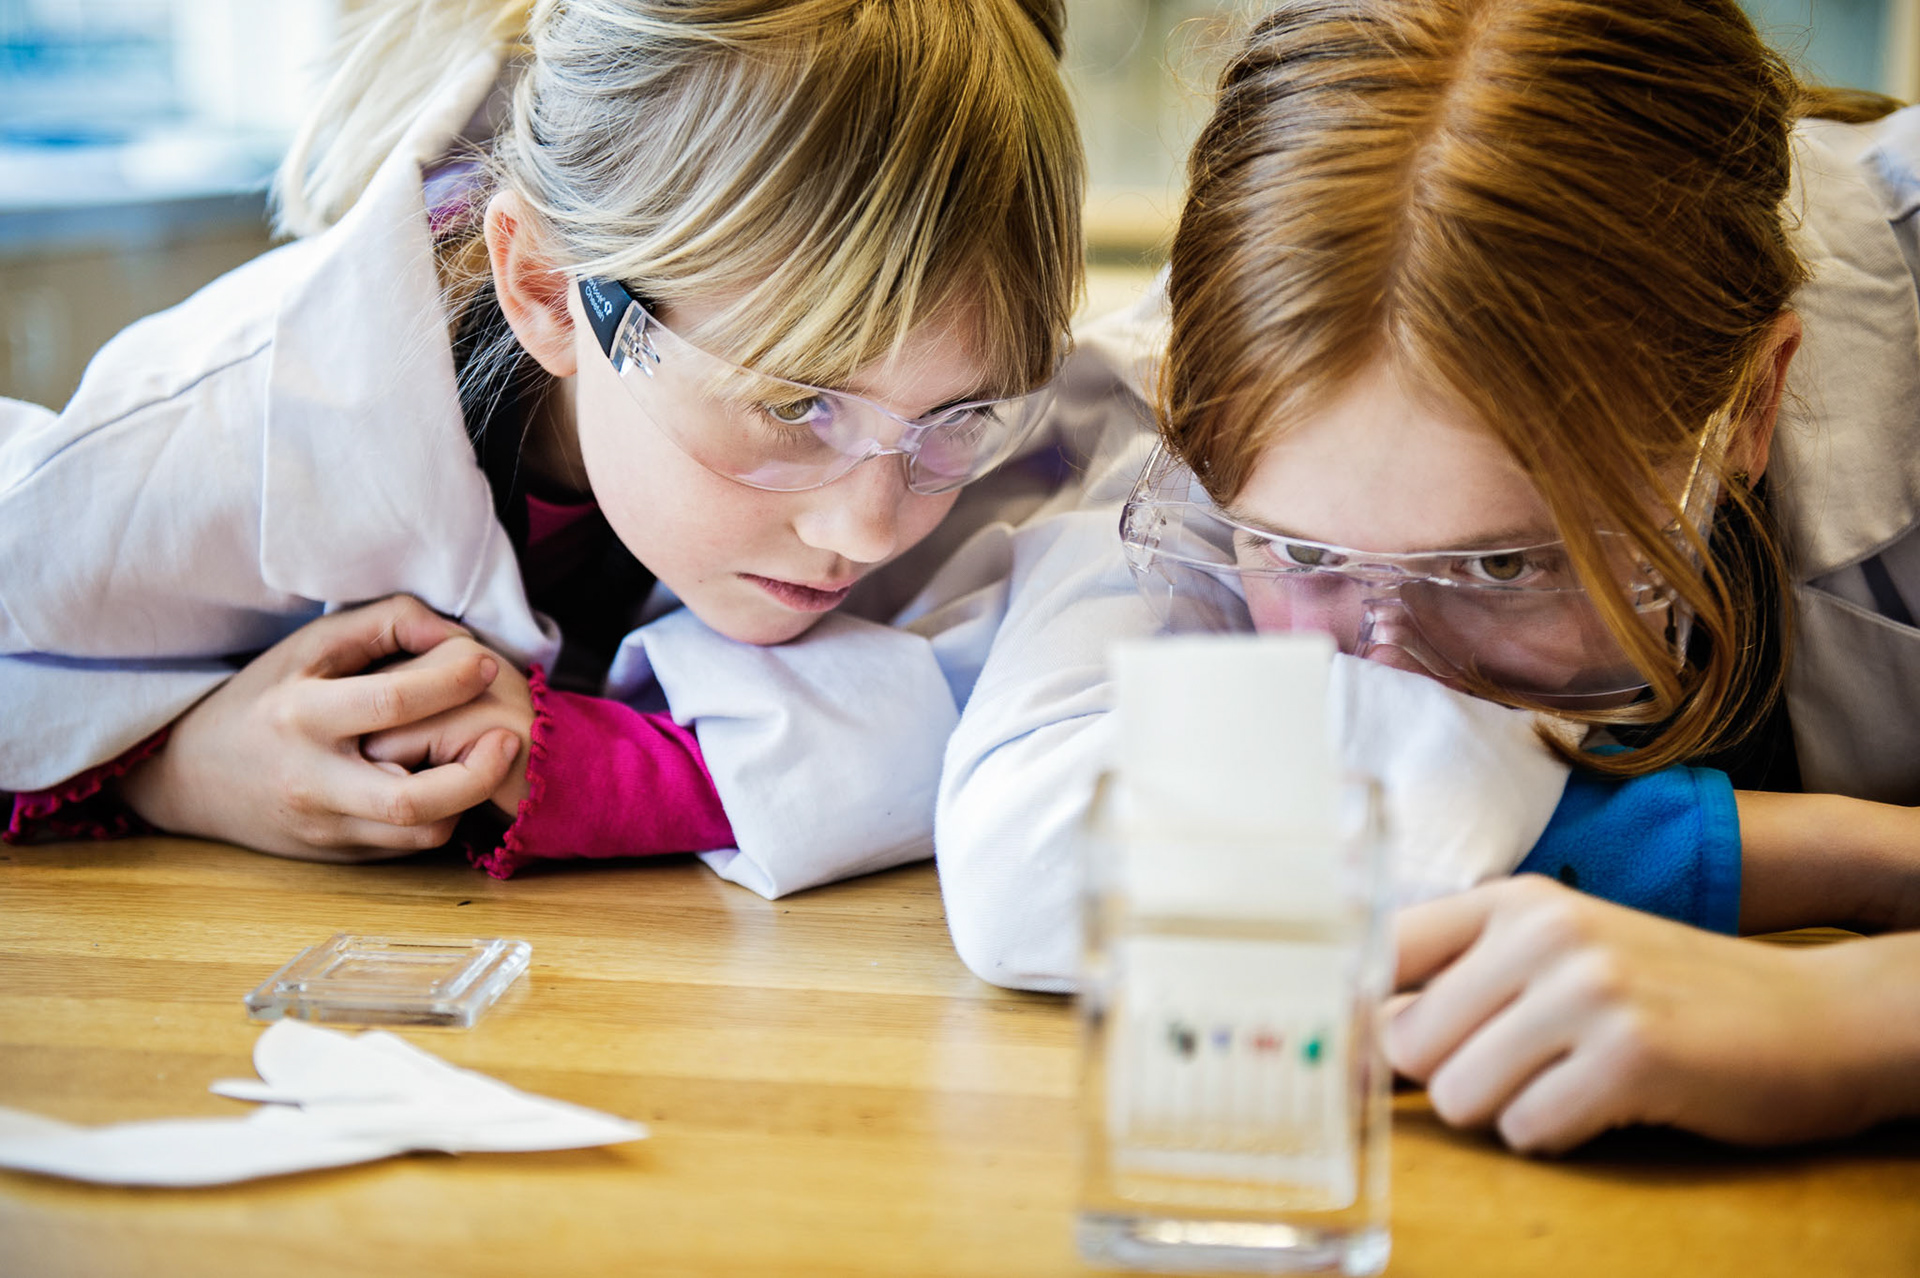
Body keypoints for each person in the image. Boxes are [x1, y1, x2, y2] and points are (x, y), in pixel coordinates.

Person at [939, 0, 1920, 1146]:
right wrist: (1855, 859)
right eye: (1301, 553)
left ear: (1751, 403)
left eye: (1505, 563)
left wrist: (1856, 1016)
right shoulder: (1262, 346)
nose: (1389, 674)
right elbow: (1036, 860)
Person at [0, 0, 1085, 898]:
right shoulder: (220, 424)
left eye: (958, 418)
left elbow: (1017, 707)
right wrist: (171, 771)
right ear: (547, 291)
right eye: (795, 406)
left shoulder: (1016, 424)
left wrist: (573, 763)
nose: (868, 528)